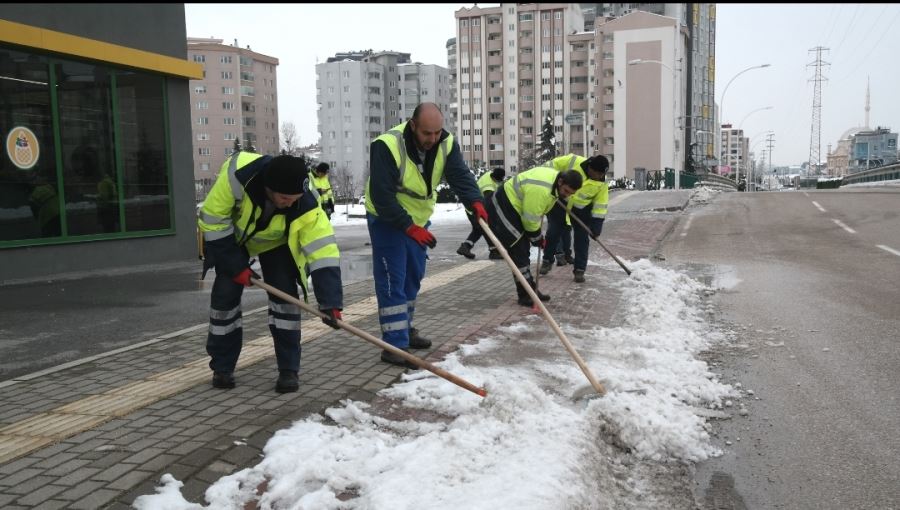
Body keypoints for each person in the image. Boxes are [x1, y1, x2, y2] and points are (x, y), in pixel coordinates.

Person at [198, 152, 343, 392]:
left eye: (294, 199)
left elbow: (323, 252)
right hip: (232, 241)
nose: (290, 203)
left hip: (277, 244)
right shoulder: (236, 178)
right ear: (269, 187)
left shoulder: (305, 202)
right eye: (285, 198)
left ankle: (289, 370)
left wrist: (331, 302)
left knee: (285, 299)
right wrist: (236, 267)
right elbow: (212, 221)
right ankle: (222, 367)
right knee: (224, 300)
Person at [365, 102, 486, 367]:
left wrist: (475, 201)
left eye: (437, 133)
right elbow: (382, 196)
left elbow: (459, 175)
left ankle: (405, 328)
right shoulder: (386, 145)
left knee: (413, 276)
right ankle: (393, 344)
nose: (433, 139)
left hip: (418, 219)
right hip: (388, 219)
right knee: (392, 279)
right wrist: (408, 227)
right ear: (413, 126)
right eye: (426, 134)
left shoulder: (445, 142)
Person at [485, 165, 582, 306]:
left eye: (570, 194)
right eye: (566, 191)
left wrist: (536, 237)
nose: (566, 195)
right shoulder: (542, 190)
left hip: (515, 207)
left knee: (522, 251)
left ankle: (530, 291)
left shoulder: (554, 184)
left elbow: (535, 214)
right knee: (519, 249)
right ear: (561, 182)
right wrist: (538, 239)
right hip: (502, 205)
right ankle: (526, 294)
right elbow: (530, 220)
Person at [538, 153, 610, 283]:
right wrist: (550, 183)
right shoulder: (573, 161)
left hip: (581, 210)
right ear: (590, 169)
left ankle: (580, 270)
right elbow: (549, 166)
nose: (600, 177)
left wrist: (596, 224)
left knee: (582, 239)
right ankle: (547, 261)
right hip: (560, 202)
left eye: (602, 174)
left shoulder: (602, 182)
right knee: (553, 233)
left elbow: (601, 204)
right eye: (598, 174)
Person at [457, 166, 505, 260]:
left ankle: (465, 247)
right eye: (499, 180)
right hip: (475, 209)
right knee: (487, 228)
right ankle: (494, 252)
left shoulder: (489, 175)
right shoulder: (488, 188)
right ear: (495, 178)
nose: (500, 182)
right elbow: (490, 204)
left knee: (479, 229)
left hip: (474, 206)